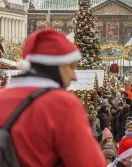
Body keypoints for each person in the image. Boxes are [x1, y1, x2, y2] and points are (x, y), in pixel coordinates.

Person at [0, 28, 106, 166]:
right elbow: (89, 163)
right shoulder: (62, 103)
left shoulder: (2, 97)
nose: (74, 76)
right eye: (71, 67)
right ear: (55, 66)